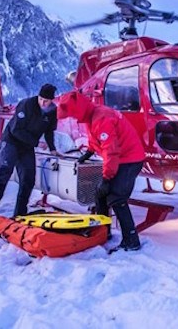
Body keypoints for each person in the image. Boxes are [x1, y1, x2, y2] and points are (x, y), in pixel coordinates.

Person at [57, 90, 145, 252]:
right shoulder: (93, 115)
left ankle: (132, 241)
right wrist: (89, 153)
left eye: (73, 115)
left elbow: (110, 152)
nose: (74, 118)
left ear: (79, 110)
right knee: (99, 194)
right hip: (121, 159)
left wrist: (106, 179)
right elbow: (95, 138)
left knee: (116, 198)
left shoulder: (102, 118)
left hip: (130, 160)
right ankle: (103, 232)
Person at [0, 84, 58, 231]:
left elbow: (49, 132)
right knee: (2, 177)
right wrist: (36, 143)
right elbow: (16, 130)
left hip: (26, 147)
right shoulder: (26, 104)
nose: (43, 103)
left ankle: (20, 215)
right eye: (41, 99)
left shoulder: (52, 111)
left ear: (51, 101)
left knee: (28, 179)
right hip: (11, 142)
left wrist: (53, 149)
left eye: (46, 101)